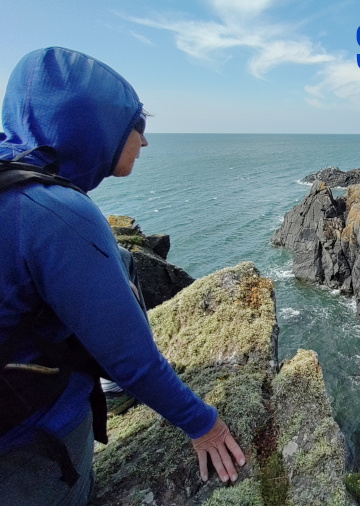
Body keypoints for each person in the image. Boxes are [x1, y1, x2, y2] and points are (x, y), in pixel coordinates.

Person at [0, 47, 245, 505]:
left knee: (123, 259)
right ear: (96, 126)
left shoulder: (12, 178)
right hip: (26, 452)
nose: (146, 142)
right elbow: (130, 359)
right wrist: (204, 425)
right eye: (139, 126)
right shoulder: (55, 213)